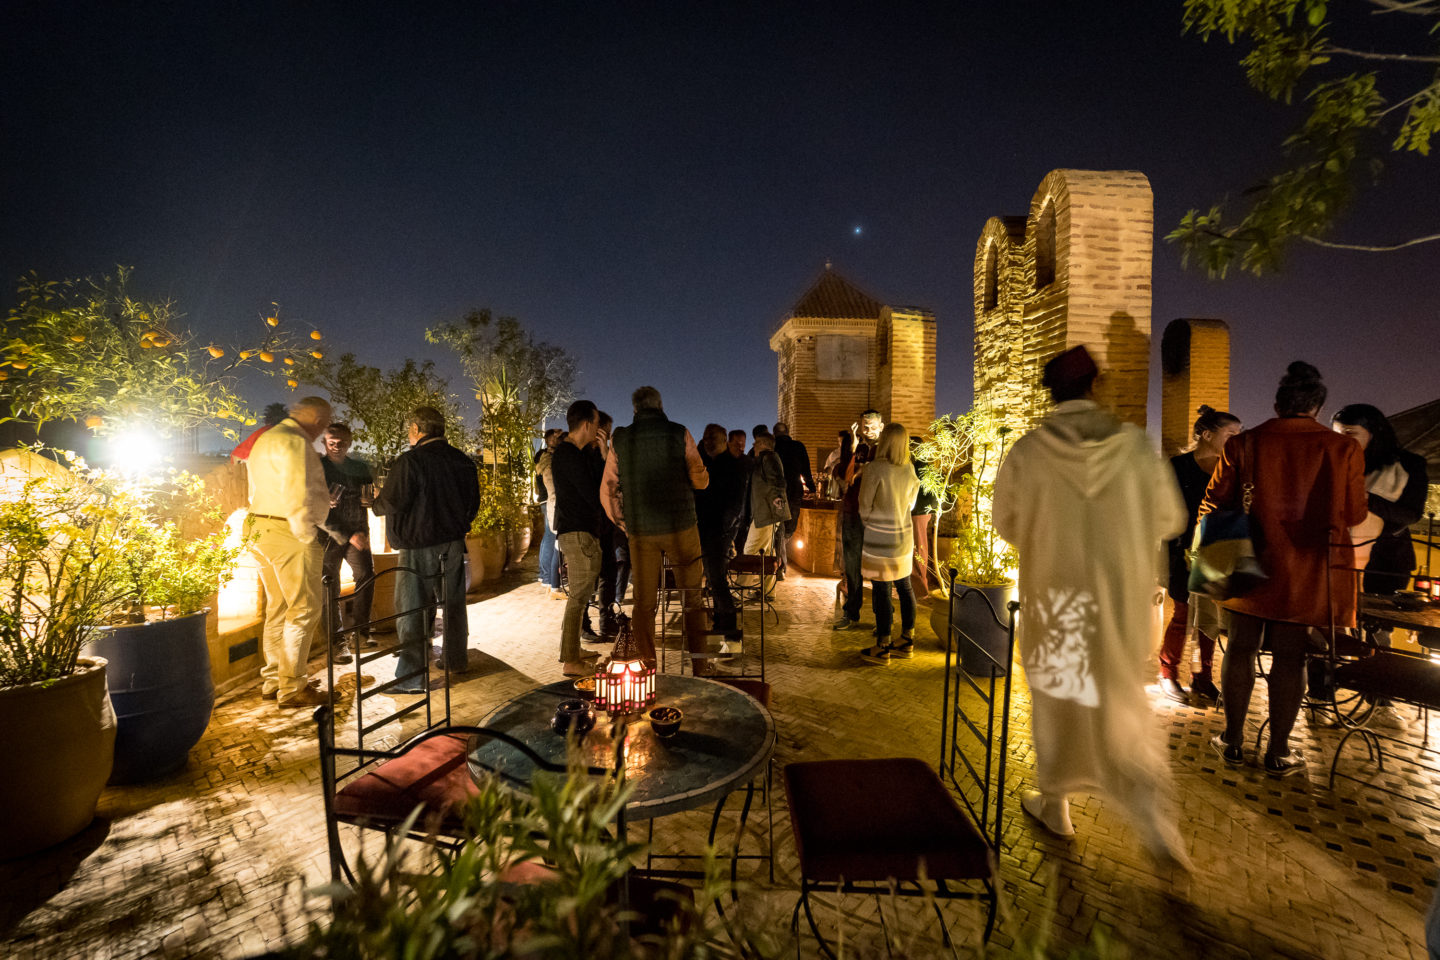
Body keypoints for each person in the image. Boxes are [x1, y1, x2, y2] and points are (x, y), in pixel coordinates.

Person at [993, 346, 1189, 864]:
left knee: (1057, 704)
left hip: (1057, 603)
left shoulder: (1028, 452)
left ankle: (1055, 802)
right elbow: (1170, 517)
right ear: (1096, 386)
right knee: (1122, 706)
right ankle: (1151, 822)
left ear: (1050, 392)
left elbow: (1006, 525)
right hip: (1119, 604)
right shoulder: (1132, 448)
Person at [1202, 362, 1366, 777]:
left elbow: (1215, 503)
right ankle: (1278, 752)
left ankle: (1233, 742)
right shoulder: (1343, 449)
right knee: (1290, 660)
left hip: (1246, 559)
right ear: (1317, 406)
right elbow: (1354, 511)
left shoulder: (1245, 444)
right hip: (1308, 568)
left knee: (1239, 649)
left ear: (1277, 405)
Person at [601, 386, 715, 673]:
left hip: (641, 532)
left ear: (635, 409)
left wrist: (623, 522)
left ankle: (646, 666)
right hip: (682, 528)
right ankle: (700, 665)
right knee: (692, 596)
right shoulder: (680, 433)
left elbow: (608, 489)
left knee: (644, 603)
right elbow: (700, 480)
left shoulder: (621, 439)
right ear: (661, 406)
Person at [372, 406, 480, 692]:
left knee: (412, 610)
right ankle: (456, 661)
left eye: (411, 429)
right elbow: (473, 504)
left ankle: (411, 678)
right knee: (454, 607)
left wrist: (375, 502)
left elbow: (392, 502)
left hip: (418, 548)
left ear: (418, 430)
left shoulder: (411, 462)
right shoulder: (463, 461)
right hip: (453, 544)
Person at [246, 396, 332, 709]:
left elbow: (254, 488)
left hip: (259, 529)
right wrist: (306, 535)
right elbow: (298, 491)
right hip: (287, 531)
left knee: (278, 607)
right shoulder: (295, 442)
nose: (321, 432)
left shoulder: (265, 439)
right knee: (305, 608)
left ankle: (273, 679)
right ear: (317, 420)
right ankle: (293, 686)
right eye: (323, 424)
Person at [1158, 405, 1242, 705]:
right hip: (1181, 549)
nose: (1236, 440)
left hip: (1219, 549)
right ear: (1206, 434)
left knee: (1210, 617)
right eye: (1230, 433)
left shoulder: (1233, 468)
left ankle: (1202, 678)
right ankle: (1167, 674)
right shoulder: (1177, 466)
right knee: (1183, 614)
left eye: (1238, 434)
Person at [1330, 403, 1429, 598]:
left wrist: (1365, 498)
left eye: (1350, 434)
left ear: (1373, 433)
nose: (1342, 441)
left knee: (1378, 619)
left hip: (1387, 559)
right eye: (1336, 434)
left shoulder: (1409, 464)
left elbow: (1411, 514)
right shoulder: (1333, 463)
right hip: (1334, 555)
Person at [858, 423, 921, 665]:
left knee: (882, 589)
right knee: (905, 587)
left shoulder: (875, 469)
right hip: (904, 536)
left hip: (879, 536)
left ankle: (883, 646)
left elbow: (865, 506)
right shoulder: (909, 469)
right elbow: (912, 506)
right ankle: (907, 640)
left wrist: (871, 523)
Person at [552, 400, 606, 676]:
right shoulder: (567, 454)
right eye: (596, 424)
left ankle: (573, 651)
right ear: (587, 424)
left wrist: (599, 453)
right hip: (577, 530)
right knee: (578, 597)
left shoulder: (578, 453)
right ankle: (570, 660)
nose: (598, 429)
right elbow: (593, 491)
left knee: (582, 595)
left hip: (580, 530)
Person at [319, 421, 377, 665]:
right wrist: (324, 499)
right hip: (328, 535)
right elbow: (312, 505)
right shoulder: (317, 468)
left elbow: (366, 500)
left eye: (341, 443)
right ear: (324, 443)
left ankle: (360, 631)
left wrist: (369, 507)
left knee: (366, 574)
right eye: (332, 443)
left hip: (357, 533)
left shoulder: (359, 467)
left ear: (349, 443)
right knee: (328, 585)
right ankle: (337, 642)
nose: (336, 447)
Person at [695, 423, 745, 639]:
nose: (708, 442)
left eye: (712, 439)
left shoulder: (731, 465)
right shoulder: (703, 461)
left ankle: (731, 630)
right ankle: (721, 621)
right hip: (705, 527)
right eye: (707, 438)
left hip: (719, 530)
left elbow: (736, 501)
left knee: (717, 578)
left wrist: (726, 527)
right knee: (714, 578)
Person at [834, 410, 883, 630]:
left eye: (873, 427)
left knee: (877, 569)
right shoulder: (858, 447)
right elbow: (845, 473)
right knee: (852, 566)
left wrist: (867, 470)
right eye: (865, 427)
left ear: (881, 427)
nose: (868, 431)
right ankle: (851, 613)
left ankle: (883, 618)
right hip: (852, 511)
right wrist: (852, 446)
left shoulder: (885, 450)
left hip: (874, 516)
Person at [742, 432, 788, 598]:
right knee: (766, 553)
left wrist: (777, 510)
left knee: (751, 549)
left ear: (763, 443)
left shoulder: (769, 457)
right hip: (765, 513)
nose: (753, 446)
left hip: (766, 514)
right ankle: (768, 591)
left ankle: (740, 591)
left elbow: (779, 483)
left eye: (756, 443)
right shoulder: (764, 459)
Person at [772, 422, 812, 581]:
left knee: (779, 529)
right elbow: (806, 469)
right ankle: (780, 565)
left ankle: (778, 562)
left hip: (776, 495)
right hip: (794, 493)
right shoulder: (798, 446)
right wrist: (812, 488)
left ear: (775, 434)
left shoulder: (773, 447)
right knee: (789, 528)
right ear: (788, 432)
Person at [910, 436, 940, 597]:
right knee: (919, 547)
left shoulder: (918, 467)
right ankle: (918, 586)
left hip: (918, 512)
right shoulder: (924, 466)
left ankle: (920, 587)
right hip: (922, 512)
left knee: (918, 548)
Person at [534, 428, 562, 594]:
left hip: (545, 499)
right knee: (551, 536)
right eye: (556, 438)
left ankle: (544, 575)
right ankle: (547, 576)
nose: (558, 441)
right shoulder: (545, 457)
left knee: (547, 535)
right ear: (549, 439)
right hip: (549, 499)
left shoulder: (542, 456)